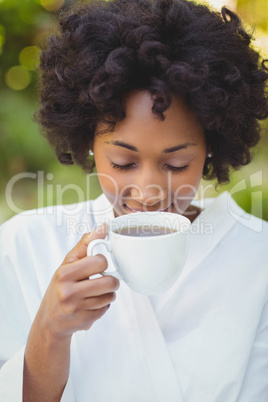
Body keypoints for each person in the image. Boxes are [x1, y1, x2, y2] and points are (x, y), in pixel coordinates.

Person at [0, 0, 267, 401]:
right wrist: (50, 333)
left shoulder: (257, 258)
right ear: (88, 140)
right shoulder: (26, 245)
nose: (148, 193)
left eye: (177, 163)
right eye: (123, 162)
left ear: (213, 144)